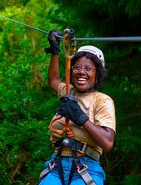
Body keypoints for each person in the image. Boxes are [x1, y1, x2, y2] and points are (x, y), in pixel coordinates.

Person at [38, 30, 116, 185]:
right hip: (57, 164)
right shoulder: (68, 92)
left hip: (87, 166)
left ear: (97, 74)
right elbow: (53, 80)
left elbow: (107, 142)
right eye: (77, 67)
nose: (82, 72)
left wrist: (80, 117)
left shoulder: (102, 100)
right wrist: (55, 51)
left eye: (88, 68)